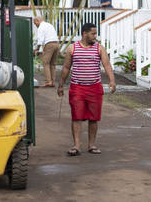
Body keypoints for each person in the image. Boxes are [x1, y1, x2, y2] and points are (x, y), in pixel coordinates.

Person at [57, 23, 116, 156]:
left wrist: (112, 81)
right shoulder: (72, 48)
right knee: (76, 117)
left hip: (95, 88)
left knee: (93, 118)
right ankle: (76, 146)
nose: (95, 36)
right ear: (84, 34)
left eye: (96, 33)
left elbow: (107, 65)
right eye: (93, 33)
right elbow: (66, 67)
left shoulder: (99, 48)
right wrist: (61, 85)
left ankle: (91, 145)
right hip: (77, 87)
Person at [33, 16, 59, 87]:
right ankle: (52, 82)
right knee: (53, 64)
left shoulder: (41, 27)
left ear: (38, 21)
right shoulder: (49, 25)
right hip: (56, 44)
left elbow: (40, 40)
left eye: (35, 24)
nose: (36, 25)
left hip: (49, 44)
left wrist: (37, 49)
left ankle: (48, 81)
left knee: (45, 62)